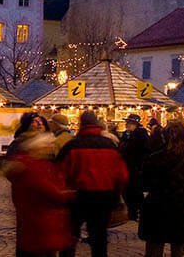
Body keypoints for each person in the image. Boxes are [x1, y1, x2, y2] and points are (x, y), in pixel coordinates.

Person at [59, 110, 129, 257]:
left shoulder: (73, 145)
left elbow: (60, 172)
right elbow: (122, 175)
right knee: (99, 238)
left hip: (78, 197)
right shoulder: (110, 145)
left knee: (70, 235)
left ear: (81, 124)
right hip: (104, 197)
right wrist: (116, 195)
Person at [5, 122, 74, 257]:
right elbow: (52, 191)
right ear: (37, 147)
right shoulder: (33, 167)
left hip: (32, 222)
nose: (50, 148)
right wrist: (70, 193)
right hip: (41, 224)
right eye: (47, 145)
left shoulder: (27, 164)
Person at [138, 124, 184, 257]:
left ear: (163, 138)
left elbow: (144, 184)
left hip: (158, 209)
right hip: (183, 211)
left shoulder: (154, 159)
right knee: (178, 250)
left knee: (154, 249)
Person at [118, 114, 153, 218]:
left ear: (135, 124)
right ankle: (133, 211)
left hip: (136, 169)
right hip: (129, 167)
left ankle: (134, 212)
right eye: (126, 122)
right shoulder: (127, 135)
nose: (126, 124)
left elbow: (141, 152)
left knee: (133, 191)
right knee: (130, 191)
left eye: (129, 123)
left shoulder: (140, 136)